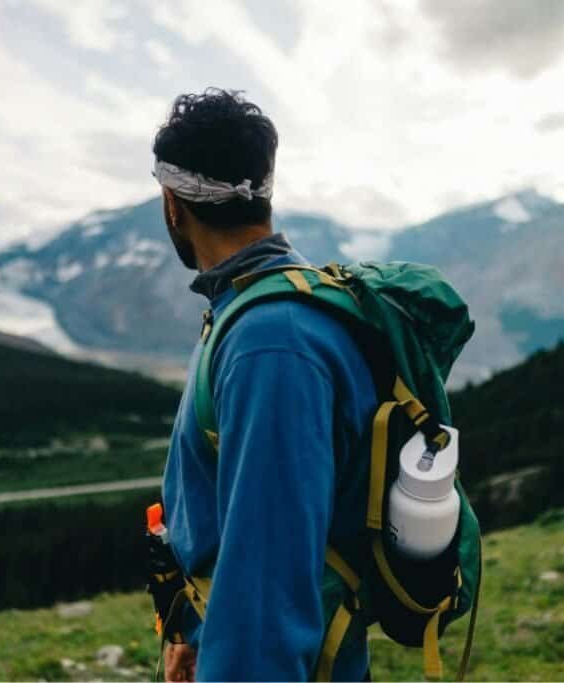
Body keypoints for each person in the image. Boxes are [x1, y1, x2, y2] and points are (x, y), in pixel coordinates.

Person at [155, 88, 379, 681]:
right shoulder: (257, 308)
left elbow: (267, 582)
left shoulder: (270, 341)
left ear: (173, 204)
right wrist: (194, 633)